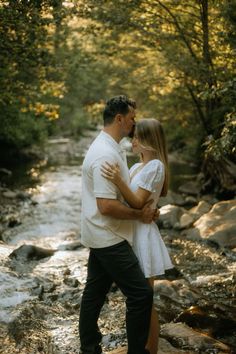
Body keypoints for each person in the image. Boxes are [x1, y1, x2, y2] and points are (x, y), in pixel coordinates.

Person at [79, 95, 156, 354]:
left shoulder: (111, 145)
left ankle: (89, 348)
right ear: (119, 119)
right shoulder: (104, 154)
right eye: (132, 118)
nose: (135, 123)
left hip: (100, 233)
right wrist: (139, 216)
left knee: (94, 294)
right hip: (108, 236)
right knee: (140, 295)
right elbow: (106, 205)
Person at [101, 118, 173, 354]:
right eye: (133, 136)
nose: (133, 141)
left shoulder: (155, 166)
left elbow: (139, 201)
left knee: (145, 299)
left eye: (138, 137)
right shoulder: (135, 167)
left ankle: (150, 349)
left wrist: (117, 180)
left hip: (143, 235)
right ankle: (143, 346)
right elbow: (130, 204)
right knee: (139, 298)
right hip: (132, 230)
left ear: (150, 141)